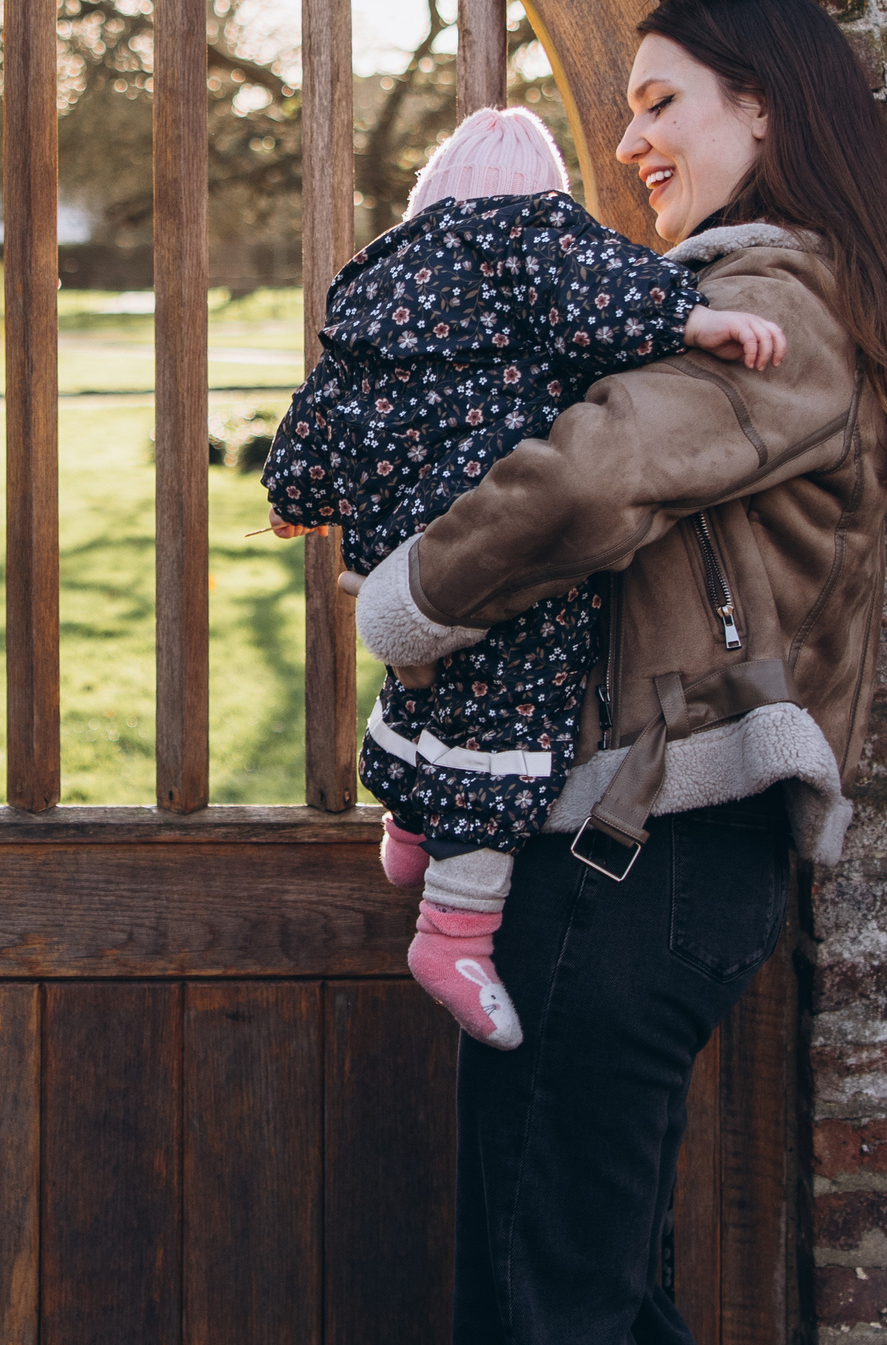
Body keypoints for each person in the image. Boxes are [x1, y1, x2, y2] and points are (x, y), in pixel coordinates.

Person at [345, 0, 887, 1345]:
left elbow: (593, 478)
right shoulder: (752, 297)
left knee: (542, 1299)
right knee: (597, 1291)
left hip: (642, 853)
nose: (629, 144)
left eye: (657, 102)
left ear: (763, 104)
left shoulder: (776, 302)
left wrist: (410, 599)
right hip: (651, 852)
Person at [262, 104, 785, 1049]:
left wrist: (296, 492)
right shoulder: (534, 237)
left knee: (418, 689)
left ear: (429, 200)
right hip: (496, 546)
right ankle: (454, 931)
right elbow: (608, 290)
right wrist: (692, 318)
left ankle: (407, 829)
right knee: (509, 725)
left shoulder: (375, 280)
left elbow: (318, 407)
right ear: (540, 199)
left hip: (401, 547)